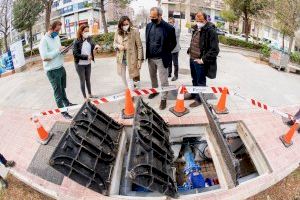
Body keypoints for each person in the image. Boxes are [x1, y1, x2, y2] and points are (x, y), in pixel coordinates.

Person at [39, 20, 75, 119]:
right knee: (58, 92)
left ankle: (67, 103)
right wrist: (57, 51)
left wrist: (64, 50)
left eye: (59, 30)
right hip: (52, 71)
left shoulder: (56, 37)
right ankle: (63, 112)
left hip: (60, 67)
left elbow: (58, 51)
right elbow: (45, 57)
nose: (58, 32)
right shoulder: (44, 41)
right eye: (57, 30)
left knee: (62, 88)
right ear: (51, 28)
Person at [146, 7, 177, 110]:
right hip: (150, 58)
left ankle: (164, 98)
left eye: (154, 17)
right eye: (150, 16)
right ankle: (154, 92)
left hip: (161, 59)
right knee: (152, 77)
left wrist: (165, 51)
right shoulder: (148, 26)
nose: (152, 18)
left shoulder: (169, 28)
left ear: (160, 16)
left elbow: (173, 43)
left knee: (163, 80)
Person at [187, 11, 219, 108]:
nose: (198, 22)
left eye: (200, 21)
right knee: (194, 79)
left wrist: (203, 60)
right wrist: (190, 50)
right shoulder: (197, 28)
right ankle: (194, 94)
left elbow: (215, 50)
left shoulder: (210, 31)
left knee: (200, 81)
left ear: (205, 20)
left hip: (200, 61)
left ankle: (199, 99)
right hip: (192, 58)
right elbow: (196, 41)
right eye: (196, 20)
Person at [113, 16, 144, 88]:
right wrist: (118, 46)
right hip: (121, 59)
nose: (125, 26)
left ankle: (132, 93)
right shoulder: (117, 32)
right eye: (123, 24)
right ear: (120, 25)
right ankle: (130, 91)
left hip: (131, 59)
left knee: (129, 77)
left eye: (127, 24)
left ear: (129, 23)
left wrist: (140, 60)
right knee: (123, 77)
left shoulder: (134, 31)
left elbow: (139, 47)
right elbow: (114, 43)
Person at [73, 25, 100, 100]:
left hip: (88, 63)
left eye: (88, 31)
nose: (87, 32)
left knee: (88, 79)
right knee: (82, 80)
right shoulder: (76, 41)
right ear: (81, 32)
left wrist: (96, 46)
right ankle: (85, 97)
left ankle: (90, 94)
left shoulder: (89, 38)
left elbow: (94, 43)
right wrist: (86, 57)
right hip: (80, 64)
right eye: (85, 31)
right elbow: (75, 54)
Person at [168, 17, 181, 81]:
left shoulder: (177, 28)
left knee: (175, 63)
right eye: (169, 22)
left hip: (175, 49)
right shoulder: (169, 28)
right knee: (169, 62)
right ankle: (169, 73)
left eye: (171, 22)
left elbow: (173, 37)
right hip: (169, 49)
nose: (170, 23)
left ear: (174, 22)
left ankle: (176, 75)